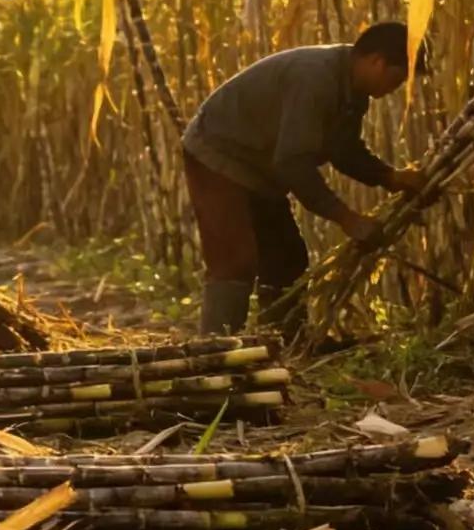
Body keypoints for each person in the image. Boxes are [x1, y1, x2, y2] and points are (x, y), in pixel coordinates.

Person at [181, 21, 426, 336]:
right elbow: (293, 164)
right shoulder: (315, 79)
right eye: (398, 77)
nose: (397, 87)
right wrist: (346, 218)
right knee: (235, 260)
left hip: (259, 166)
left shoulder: (352, 89)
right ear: (377, 61)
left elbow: (343, 149)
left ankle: (281, 343)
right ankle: (215, 348)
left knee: (287, 258)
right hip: (218, 153)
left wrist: (390, 177)